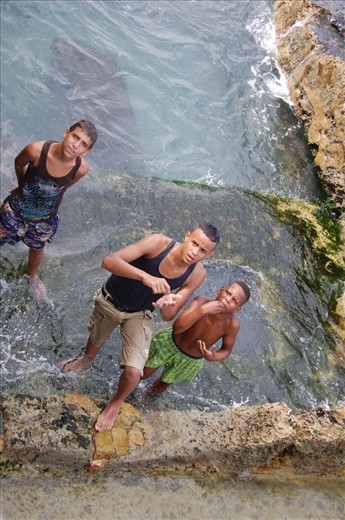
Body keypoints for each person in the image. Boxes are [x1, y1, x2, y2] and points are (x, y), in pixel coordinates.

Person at [59, 223, 220, 431]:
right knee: (96, 340)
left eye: (202, 251)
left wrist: (167, 300)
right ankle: (86, 359)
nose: (194, 252)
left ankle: (115, 403)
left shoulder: (197, 274)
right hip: (110, 299)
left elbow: (168, 315)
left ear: (209, 255)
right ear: (187, 236)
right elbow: (108, 261)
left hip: (140, 314)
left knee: (134, 373)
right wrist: (146, 277)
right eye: (195, 243)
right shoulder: (158, 243)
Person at [0, 120, 98, 298]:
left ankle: (32, 276)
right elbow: (18, 163)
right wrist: (22, 186)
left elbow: (64, 187)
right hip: (16, 208)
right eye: (75, 137)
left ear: (87, 152)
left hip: (44, 217)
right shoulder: (36, 150)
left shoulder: (81, 169)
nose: (76, 145)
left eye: (83, 144)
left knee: (37, 247)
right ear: (66, 133)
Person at [142, 280, 250, 396]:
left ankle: (142, 402)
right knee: (143, 373)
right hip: (170, 343)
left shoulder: (232, 324)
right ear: (220, 290)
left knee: (163, 385)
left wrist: (214, 356)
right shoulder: (201, 301)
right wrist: (203, 310)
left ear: (237, 309)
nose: (228, 299)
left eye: (234, 301)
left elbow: (226, 350)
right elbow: (177, 327)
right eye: (228, 293)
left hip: (191, 360)